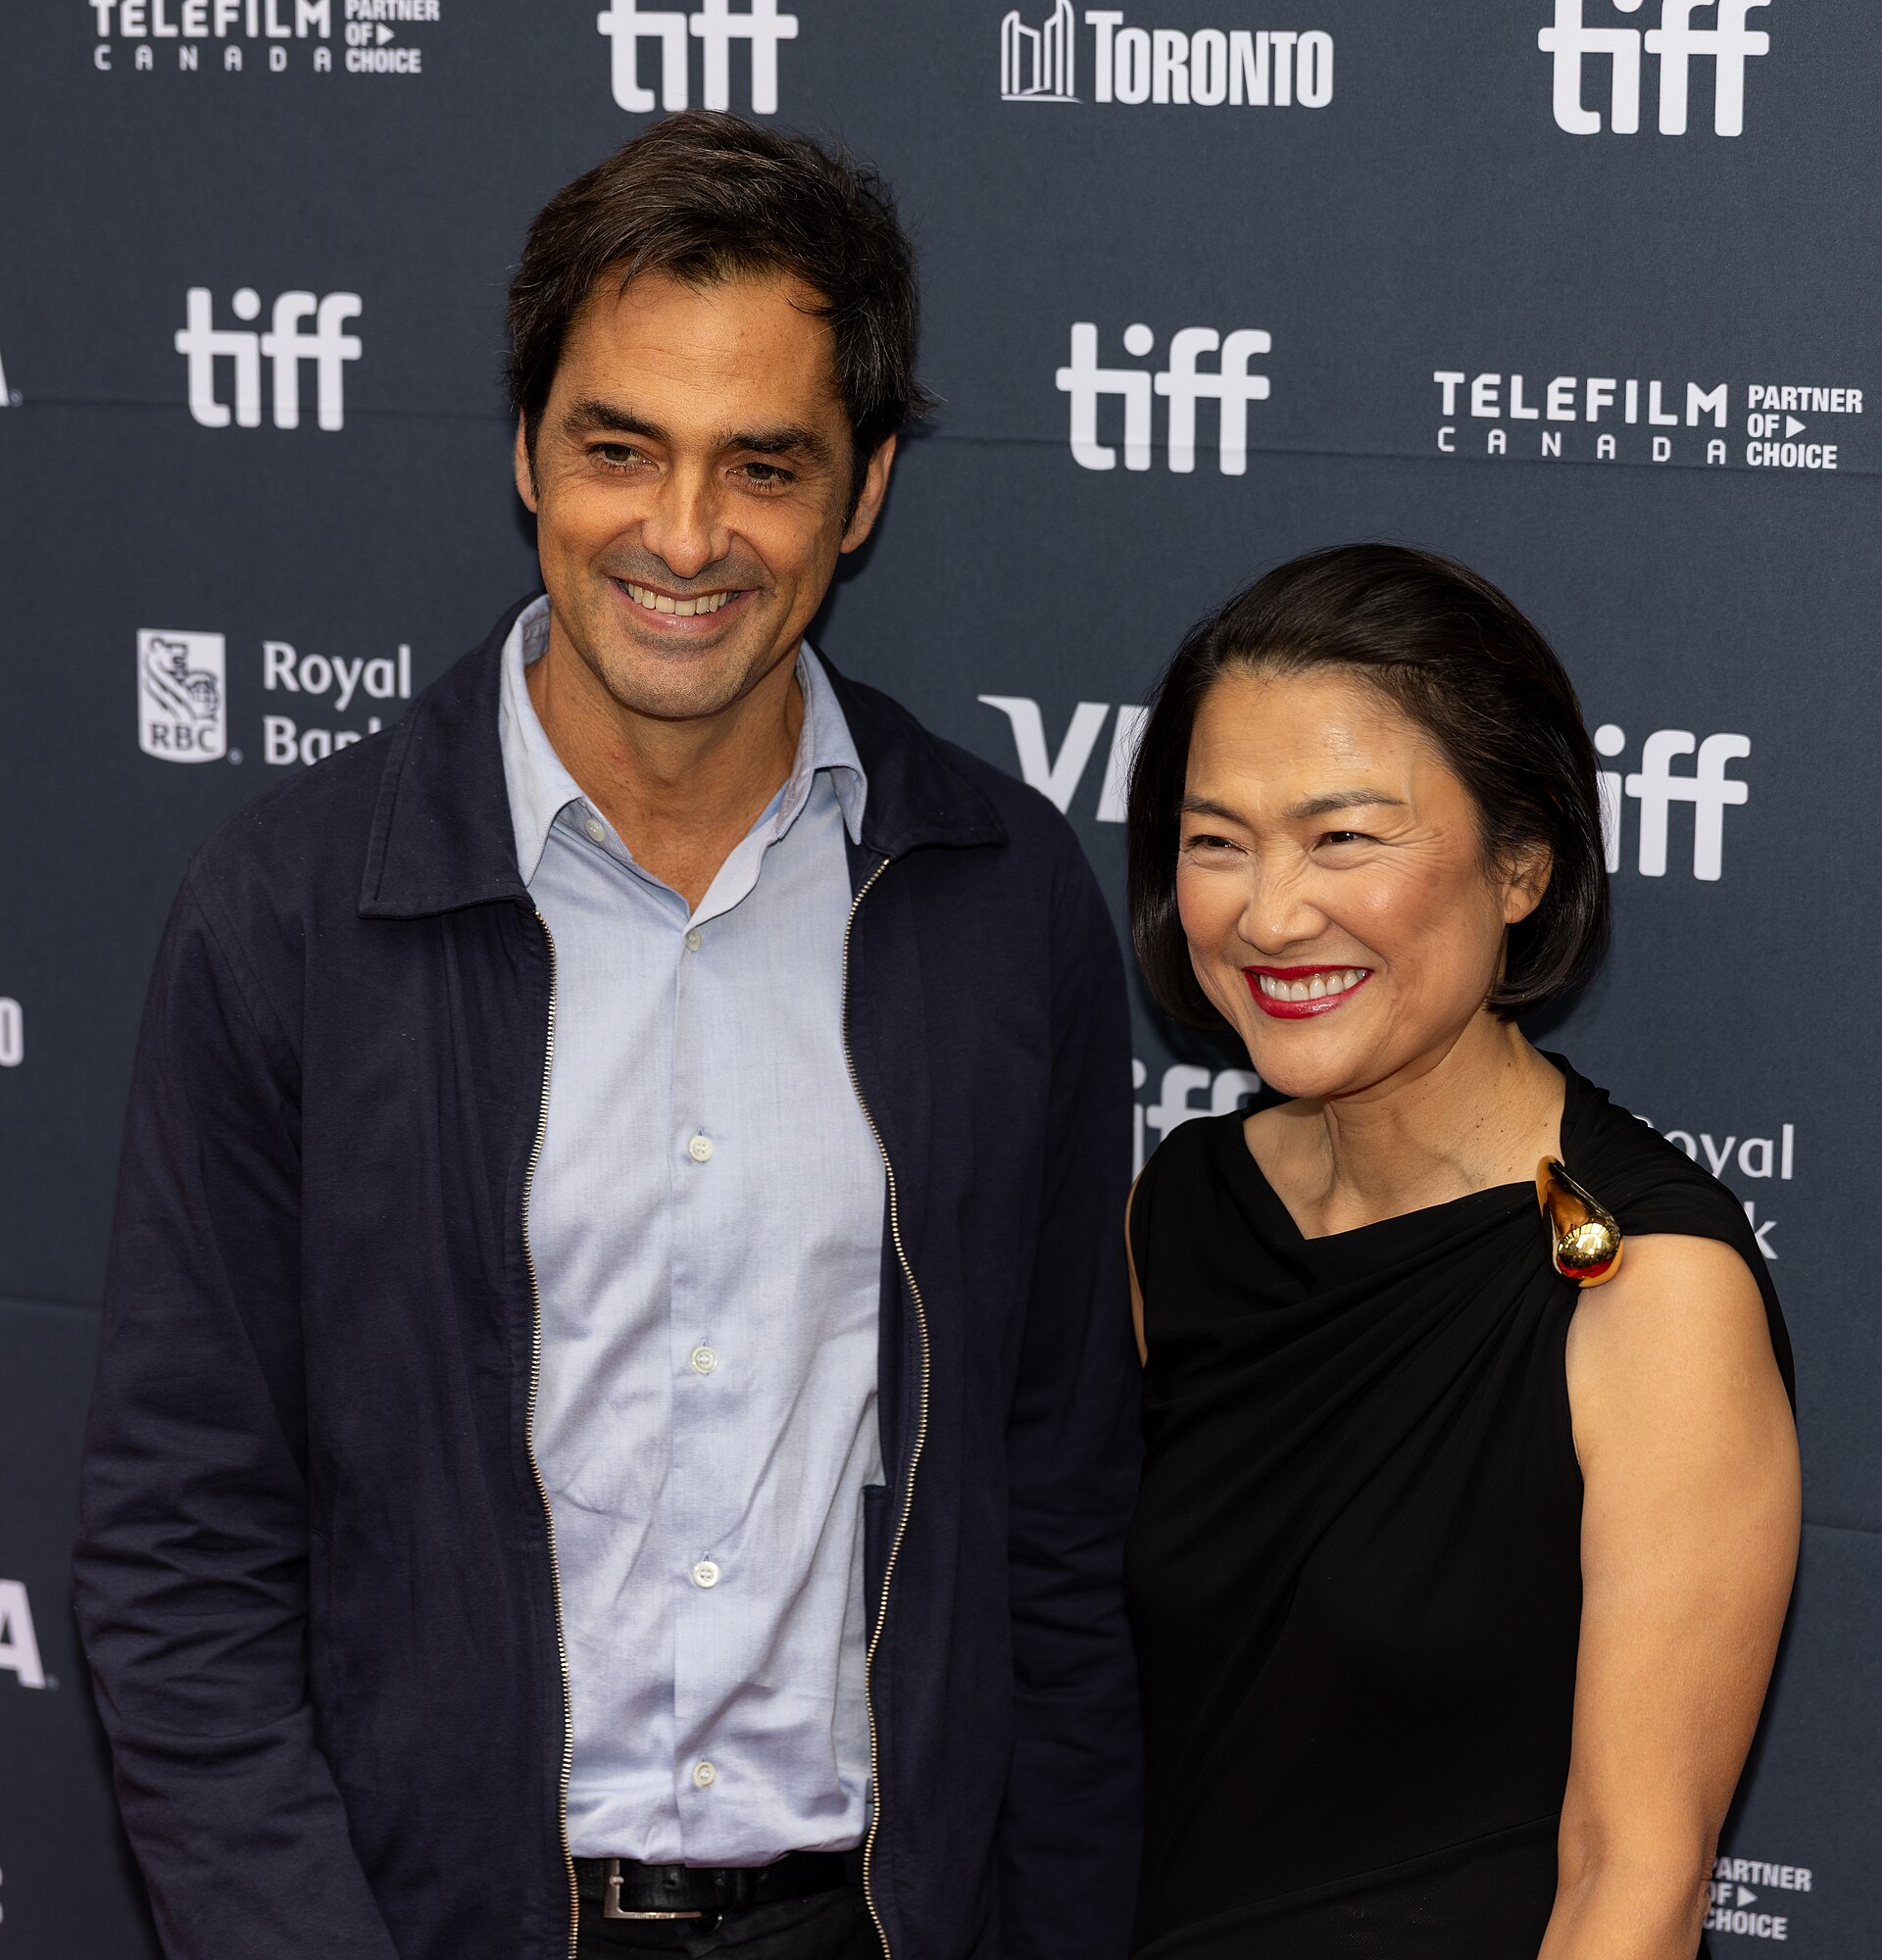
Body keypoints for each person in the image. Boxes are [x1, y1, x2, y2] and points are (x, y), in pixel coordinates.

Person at [74, 113, 1142, 1960]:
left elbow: (1052, 1516)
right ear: (524, 451)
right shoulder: (291, 910)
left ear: (866, 489)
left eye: (767, 464)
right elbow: (181, 1553)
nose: (684, 534)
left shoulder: (998, 894)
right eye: (619, 447)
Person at [1121, 544, 1799, 1959]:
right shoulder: (1182, 1209)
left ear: (1521, 864)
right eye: (1215, 839)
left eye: (1346, 837)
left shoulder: (1652, 1292)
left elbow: (1637, 1882)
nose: (1270, 911)